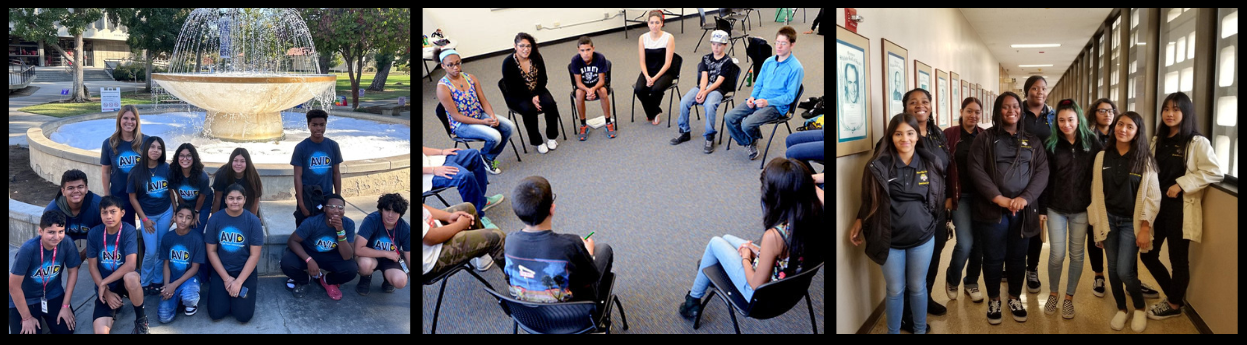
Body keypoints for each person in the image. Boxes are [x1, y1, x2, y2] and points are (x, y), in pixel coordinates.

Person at [682, 158, 824, 322]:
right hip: (792, 285)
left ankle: (692, 301)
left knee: (715, 243)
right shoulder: (815, 218)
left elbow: (756, 284)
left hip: (762, 299)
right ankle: (710, 266)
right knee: (727, 239)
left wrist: (745, 257)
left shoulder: (775, 236)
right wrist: (756, 250)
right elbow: (787, 255)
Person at [847, 113, 944, 334]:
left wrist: (928, 220)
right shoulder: (878, 166)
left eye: (910, 133)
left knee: (918, 287)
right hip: (890, 239)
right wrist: (859, 221)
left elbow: (937, 198)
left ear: (917, 136)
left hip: (922, 238)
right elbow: (870, 199)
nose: (905, 139)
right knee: (895, 289)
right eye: (898, 134)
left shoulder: (931, 163)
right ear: (891, 137)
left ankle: (919, 330)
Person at [967, 91, 1049, 325]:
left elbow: (1043, 171)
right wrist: (999, 198)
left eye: (1015, 106)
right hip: (993, 210)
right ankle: (994, 299)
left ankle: (1014, 297)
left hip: (1023, 212)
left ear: (1021, 110)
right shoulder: (984, 139)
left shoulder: (1033, 141)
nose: (1011, 111)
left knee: (1017, 257)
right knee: (993, 257)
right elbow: (976, 170)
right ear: (997, 111)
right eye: (1005, 107)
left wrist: (1026, 197)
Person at [1142, 92, 1224, 320]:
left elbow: (1214, 172)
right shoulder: (1158, 140)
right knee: (1147, 254)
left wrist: (1181, 184)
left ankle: (1174, 304)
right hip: (1157, 206)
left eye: (1176, 109)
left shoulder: (1197, 142)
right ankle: (1174, 295)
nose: (1169, 114)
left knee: (1178, 259)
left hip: (1180, 208)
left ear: (1186, 113)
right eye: (1166, 109)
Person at [1088, 111, 1161, 332]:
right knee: (1111, 269)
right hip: (1108, 219)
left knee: (1124, 270)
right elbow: (1095, 193)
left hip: (1132, 222)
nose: (1123, 129)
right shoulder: (1102, 156)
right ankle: (1122, 309)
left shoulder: (1145, 160)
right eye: (1120, 124)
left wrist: (1145, 228)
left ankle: (1139, 307)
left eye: (1130, 126)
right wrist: (1097, 227)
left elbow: (1153, 195)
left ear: (1137, 132)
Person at [1036, 99, 1102, 319]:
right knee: (1056, 255)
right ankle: (1053, 293)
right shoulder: (1051, 144)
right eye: (1062, 120)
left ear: (1079, 119)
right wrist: (1042, 208)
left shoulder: (1092, 143)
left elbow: (1100, 175)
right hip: (1056, 208)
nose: (1066, 124)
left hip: (1082, 209)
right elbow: (1044, 179)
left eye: (1071, 120)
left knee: (1077, 255)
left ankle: (1068, 298)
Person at [504, 176, 614, 306]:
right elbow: (591, 277)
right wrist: (589, 253)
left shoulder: (510, 240)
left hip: (530, 316)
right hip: (572, 313)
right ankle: (599, 305)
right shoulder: (570, 244)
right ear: (552, 208)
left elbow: (509, 278)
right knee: (604, 249)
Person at [896, 88, 951, 330]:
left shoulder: (938, 134)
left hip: (937, 212)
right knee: (913, 266)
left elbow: (947, 168)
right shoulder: (899, 135)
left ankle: (925, 300)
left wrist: (949, 198)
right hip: (912, 214)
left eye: (925, 101)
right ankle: (908, 314)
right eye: (913, 102)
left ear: (931, 105)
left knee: (933, 258)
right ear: (905, 107)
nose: (920, 106)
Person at [723, 26, 804, 160]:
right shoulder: (768, 61)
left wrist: (768, 102)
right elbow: (759, 83)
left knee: (746, 124)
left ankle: (752, 136)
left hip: (776, 106)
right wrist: (752, 97)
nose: (779, 46)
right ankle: (750, 141)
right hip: (758, 99)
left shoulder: (796, 68)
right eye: (777, 42)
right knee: (729, 117)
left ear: (792, 45)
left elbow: (789, 97)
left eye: (783, 43)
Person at [436, 46, 514, 174]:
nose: (455, 68)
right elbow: (455, 116)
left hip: (478, 115)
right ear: (443, 66)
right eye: (450, 65)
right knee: (495, 137)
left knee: (509, 127)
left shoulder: (470, 77)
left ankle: (487, 157)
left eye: (457, 63)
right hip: (461, 124)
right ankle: (484, 157)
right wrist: (484, 122)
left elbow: (483, 101)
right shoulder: (443, 87)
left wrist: (492, 116)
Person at [9, 211, 82, 334]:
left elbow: (73, 271)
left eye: (61, 231)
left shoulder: (66, 243)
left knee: (66, 330)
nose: (56, 237)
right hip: (25, 297)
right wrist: (26, 317)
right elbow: (13, 286)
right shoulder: (28, 249)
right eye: (51, 232)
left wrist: (65, 306)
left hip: (51, 293)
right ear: (40, 231)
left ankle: (43, 314)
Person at [942, 97, 984, 304]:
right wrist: (947, 196)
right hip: (960, 198)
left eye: (977, 112)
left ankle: (971, 282)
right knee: (966, 243)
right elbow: (941, 168)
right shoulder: (949, 135)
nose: (973, 115)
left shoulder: (985, 135)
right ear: (961, 111)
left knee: (979, 245)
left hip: (982, 198)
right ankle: (952, 278)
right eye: (969, 111)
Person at [205, 184, 264, 323]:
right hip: (222, 270)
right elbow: (211, 251)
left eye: (239, 198)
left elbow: (254, 255)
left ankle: (235, 296)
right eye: (231, 198)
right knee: (216, 313)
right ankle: (227, 295)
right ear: (225, 200)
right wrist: (226, 279)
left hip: (244, 271)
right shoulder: (215, 219)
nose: (235, 202)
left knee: (243, 316)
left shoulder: (253, 221)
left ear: (245, 200)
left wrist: (239, 281)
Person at [673, 30, 738, 153]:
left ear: (725, 45)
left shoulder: (728, 61)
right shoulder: (706, 58)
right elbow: (704, 76)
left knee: (709, 105)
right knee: (685, 101)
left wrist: (706, 92)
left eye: (719, 45)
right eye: (713, 44)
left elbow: (719, 81)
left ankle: (709, 136)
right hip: (703, 87)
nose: (716, 48)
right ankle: (684, 131)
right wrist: (701, 91)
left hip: (717, 89)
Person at [283, 194, 358, 300]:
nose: (337, 210)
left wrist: (340, 231)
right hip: (309, 252)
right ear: (324, 209)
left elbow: (347, 256)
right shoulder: (312, 222)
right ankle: (305, 279)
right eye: (332, 207)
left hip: (331, 255)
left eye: (340, 207)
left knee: (351, 269)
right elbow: (292, 241)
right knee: (287, 263)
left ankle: (327, 280)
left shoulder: (348, 224)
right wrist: (309, 260)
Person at [85, 196, 143, 333]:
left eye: (113, 211)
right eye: (104, 212)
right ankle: (114, 304)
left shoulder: (128, 231)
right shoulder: (94, 234)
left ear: (122, 213)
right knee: (100, 331)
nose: (108, 216)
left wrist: (103, 283)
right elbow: (92, 266)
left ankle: (141, 320)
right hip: (107, 286)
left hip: (123, 281)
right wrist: (106, 291)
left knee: (131, 278)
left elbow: (130, 265)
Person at [1019, 76, 1054, 294]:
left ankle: (1032, 268)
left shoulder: (1052, 116)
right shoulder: (1017, 112)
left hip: (1045, 178)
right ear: (1026, 91)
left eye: (1043, 88)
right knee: (1014, 221)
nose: (1039, 92)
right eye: (1034, 88)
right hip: (1019, 176)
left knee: (1037, 224)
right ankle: (1010, 262)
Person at [127, 136, 174, 296]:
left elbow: (170, 191)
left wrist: (174, 211)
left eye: (159, 148)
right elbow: (132, 198)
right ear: (146, 149)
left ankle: (157, 280)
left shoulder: (166, 168)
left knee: (161, 248)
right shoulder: (136, 172)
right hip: (148, 216)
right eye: (152, 147)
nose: (155, 150)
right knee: (151, 250)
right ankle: (145, 280)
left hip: (165, 212)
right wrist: (145, 220)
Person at [420, 198, 506, 281]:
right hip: (431, 258)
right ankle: (517, 286)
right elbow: (432, 238)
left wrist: (449, 216)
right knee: (497, 236)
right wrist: (460, 225)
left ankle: (483, 255)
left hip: (431, 233)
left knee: (468, 208)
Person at [503, 32, 562, 154]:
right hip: (518, 95)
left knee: (550, 104)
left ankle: (551, 136)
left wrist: (535, 94)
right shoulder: (508, 63)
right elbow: (512, 88)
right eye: (522, 46)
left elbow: (543, 79)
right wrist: (531, 98)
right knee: (529, 110)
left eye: (528, 46)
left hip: (537, 89)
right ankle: (537, 141)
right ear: (515, 46)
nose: (525, 49)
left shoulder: (537, 57)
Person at [422, 146, 504, 228]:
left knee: (474, 154)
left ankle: (481, 201)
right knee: (464, 177)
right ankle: (478, 216)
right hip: (427, 176)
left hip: (431, 161)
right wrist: (434, 170)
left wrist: (442, 152)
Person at [1086, 98, 1118, 298]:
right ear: (1094, 113)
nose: (1107, 114)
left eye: (1110, 110)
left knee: (1123, 236)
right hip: (1094, 191)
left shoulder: (1122, 132)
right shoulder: (1088, 136)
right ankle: (1099, 274)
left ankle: (1132, 277)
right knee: (1095, 233)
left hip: (1118, 192)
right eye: (1102, 110)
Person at [292, 109, 344, 228]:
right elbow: (297, 177)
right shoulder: (301, 148)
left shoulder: (333, 146)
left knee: (326, 228)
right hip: (308, 197)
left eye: (322, 125)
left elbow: (336, 173)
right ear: (308, 126)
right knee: (305, 229)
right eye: (314, 125)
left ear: (326, 125)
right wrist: (301, 203)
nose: (318, 128)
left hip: (327, 196)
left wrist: (337, 198)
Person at [100, 104, 150, 227]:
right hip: (120, 196)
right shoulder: (109, 143)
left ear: (137, 122)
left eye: (133, 119)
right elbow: (106, 171)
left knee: (148, 233)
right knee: (125, 231)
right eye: (125, 118)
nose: (129, 122)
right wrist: (107, 195)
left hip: (143, 195)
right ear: (119, 120)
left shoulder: (146, 142)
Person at [356, 193, 414, 295]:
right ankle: (365, 278)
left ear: (400, 213)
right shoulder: (372, 220)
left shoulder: (405, 228)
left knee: (400, 281)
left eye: (395, 211)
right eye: (387, 210)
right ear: (381, 209)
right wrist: (386, 253)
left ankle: (388, 279)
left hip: (392, 258)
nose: (390, 215)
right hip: (371, 256)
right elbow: (358, 249)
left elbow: (409, 256)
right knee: (364, 265)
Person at [157, 204, 205, 324]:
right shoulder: (168, 237)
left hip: (189, 278)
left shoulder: (197, 238)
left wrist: (174, 285)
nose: (183, 220)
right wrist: (167, 285)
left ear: (193, 220)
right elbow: (166, 264)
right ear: (174, 216)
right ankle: (177, 299)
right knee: (164, 317)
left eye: (188, 218)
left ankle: (187, 301)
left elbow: (194, 269)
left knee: (190, 299)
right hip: (172, 278)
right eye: (180, 216)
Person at [45, 169, 103, 260]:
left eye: (80, 187)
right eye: (70, 188)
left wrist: (83, 254)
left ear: (86, 189)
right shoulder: (52, 210)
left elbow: (107, 235)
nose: (76, 191)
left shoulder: (100, 207)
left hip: (96, 245)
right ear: (63, 191)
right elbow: (48, 239)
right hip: (62, 244)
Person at [634, 10, 677, 125]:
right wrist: (647, 76)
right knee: (639, 90)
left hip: (665, 72)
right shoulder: (642, 38)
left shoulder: (669, 37)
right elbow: (642, 61)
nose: (654, 26)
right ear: (648, 23)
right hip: (648, 71)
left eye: (657, 23)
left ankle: (651, 113)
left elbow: (668, 63)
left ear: (662, 23)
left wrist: (654, 79)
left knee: (656, 89)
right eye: (652, 23)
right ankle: (655, 111)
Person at [570, 36, 616, 140]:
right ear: (578, 51)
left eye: (588, 50)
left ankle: (608, 122)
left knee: (603, 91)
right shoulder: (575, 60)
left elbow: (602, 81)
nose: (585, 53)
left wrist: (593, 89)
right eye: (582, 50)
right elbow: (578, 83)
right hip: (583, 86)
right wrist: (588, 90)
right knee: (579, 94)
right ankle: (583, 125)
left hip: (597, 84)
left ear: (593, 49)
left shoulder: (600, 58)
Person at [171, 143, 212, 237]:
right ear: (177, 157)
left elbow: (202, 196)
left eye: (189, 156)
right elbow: (176, 193)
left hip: (202, 205)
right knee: (183, 229)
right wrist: (177, 210)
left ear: (194, 158)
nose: (185, 159)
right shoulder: (173, 173)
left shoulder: (203, 176)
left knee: (196, 232)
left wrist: (196, 212)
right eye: (182, 155)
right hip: (185, 203)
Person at [211, 148, 263, 217]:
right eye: (235, 160)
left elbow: (255, 201)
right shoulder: (222, 174)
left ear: (247, 162)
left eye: (242, 161)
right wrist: (214, 219)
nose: (238, 164)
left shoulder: (253, 176)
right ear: (231, 161)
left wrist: (252, 220)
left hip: (245, 210)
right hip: (225, 209)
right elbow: (217, 199)